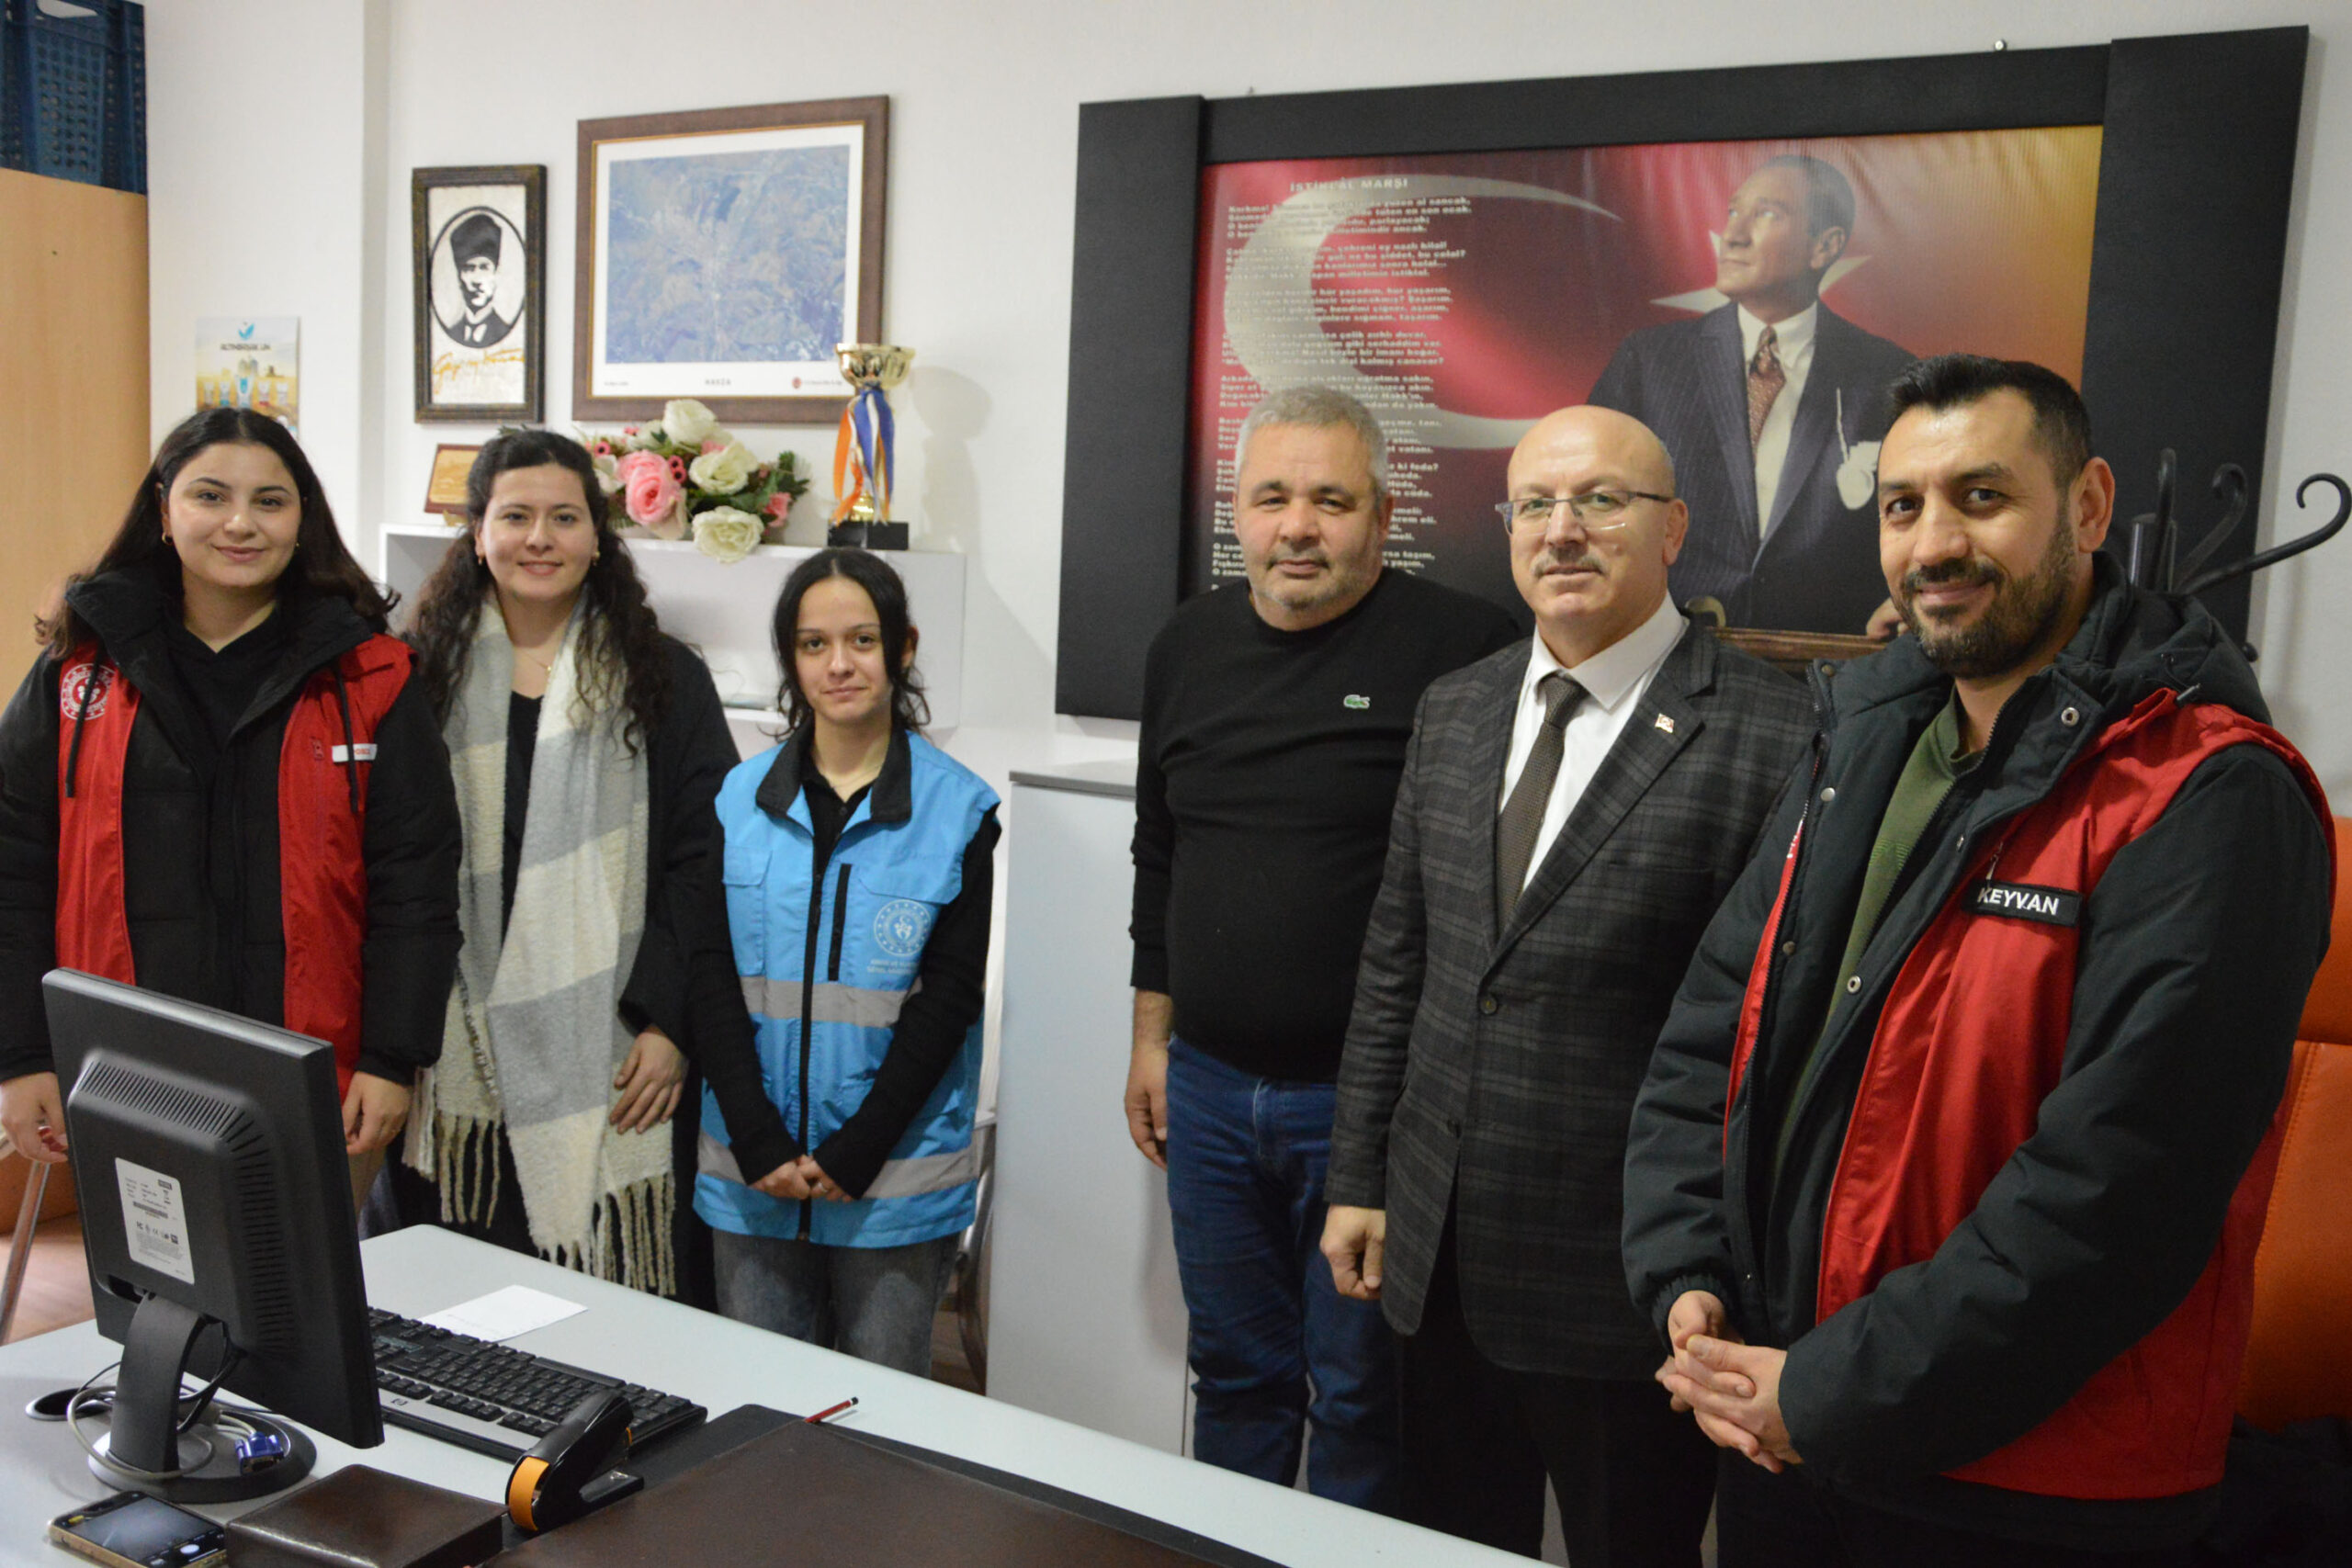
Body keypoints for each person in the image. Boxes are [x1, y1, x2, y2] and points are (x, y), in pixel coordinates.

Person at [1621, 355, 2335, 1567]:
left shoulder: (2207, 789)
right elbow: (1714, 1029)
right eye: (1902, 505)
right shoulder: (1863, 740)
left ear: (2088, 507)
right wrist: (1686, 1272)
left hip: (2029, 1490)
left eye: (1982, 496)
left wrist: (1832, 1389)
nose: (1933, 543)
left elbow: (2119, 1192)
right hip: (1789, 1434)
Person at [1319, 406, 1814, 1563]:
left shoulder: (1773, 733)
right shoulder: (1457, 707)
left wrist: (1711, 1266)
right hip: (1438, 1255)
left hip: (1629, 1284)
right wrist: (1361, 1176)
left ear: (1673, 529)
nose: (1562, 530)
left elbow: (1768, 1040)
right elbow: (1399, 963)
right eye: (1534, 504)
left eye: (1600, 500)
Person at [1126, 385, 1521, 1509]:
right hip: (1206, 1092)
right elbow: (1159, 851)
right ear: (1236, 514)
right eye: (1271, 499)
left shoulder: (1466, 650)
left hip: (1373, 1108)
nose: (1297, 527)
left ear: (1383, 517)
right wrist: (1149, 1037)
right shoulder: (1185, 646)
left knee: (1363, 1396)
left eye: (1330, 502)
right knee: (1234, 1375)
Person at [0, 407, 461, 1208]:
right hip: (121, 1066)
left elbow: (416, 884)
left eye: (269, 501)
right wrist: (18, 1053)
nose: (240, 524)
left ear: (303, 518)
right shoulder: (79, 670)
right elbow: (13, 866)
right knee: (150, 1281)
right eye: (210, 496)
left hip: (317, 1071)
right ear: (163, 509)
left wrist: (393, 1058)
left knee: (298, 1282)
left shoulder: (371, 677)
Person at [388, 428, 751, 1302]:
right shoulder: (416, 676)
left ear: (597, 535)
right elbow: (392, 860)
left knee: (610, 1312)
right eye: (516, 516)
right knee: (466, 1306)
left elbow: (707, 861)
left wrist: (668, 1024)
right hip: (460, 1044)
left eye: (564, 517)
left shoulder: (666, 677)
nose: (539, 539)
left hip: (619, 1046)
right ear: (479, 533)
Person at [692, 548, 998, 1376]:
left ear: (904, 646)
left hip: (891, 1181)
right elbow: (709, 974)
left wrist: (858, 1148)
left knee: (881, 1422)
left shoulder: (959, 811)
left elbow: (950, 1000)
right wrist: (757, 1138)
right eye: (814, 644)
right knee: (762, 1407)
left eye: (862, 640)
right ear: (790, 658)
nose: (839, 664)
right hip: (754, 1173)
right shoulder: (737, 800)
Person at [1589, 154, 1915, 635]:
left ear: (1824, 246)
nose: (1733, 236)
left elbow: (1923, 514)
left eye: (1766, 214)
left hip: (1833, 658)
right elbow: (1586, 501)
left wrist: (1907, 598)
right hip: (1670, 651)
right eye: (1733, 213)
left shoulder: (1888, 373)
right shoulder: (1649, 361)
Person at [445, 210, 515, 349]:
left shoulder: (506, 332)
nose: (477, 280)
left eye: (484, 267)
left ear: (496, 274)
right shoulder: (452, 333)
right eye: (469, 269)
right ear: (459, 277)